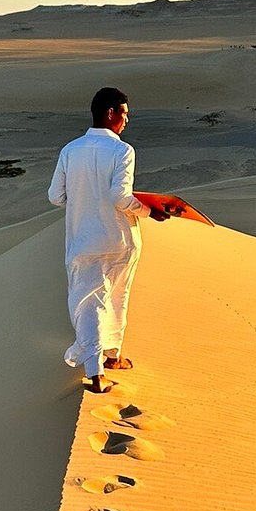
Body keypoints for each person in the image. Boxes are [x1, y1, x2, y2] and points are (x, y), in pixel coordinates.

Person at [48, 87, 169, 393]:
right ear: (111, 113)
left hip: (82, 240)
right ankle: (109, 357)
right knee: (116, 295)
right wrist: (147, 211)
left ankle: (96, 368)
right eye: (124, 114)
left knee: (89, 301)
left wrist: (83, 198)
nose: (127, 121)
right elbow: (120, 196)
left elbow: (55, 197)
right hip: (119, 239)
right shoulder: (122, 151)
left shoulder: (70, 150)